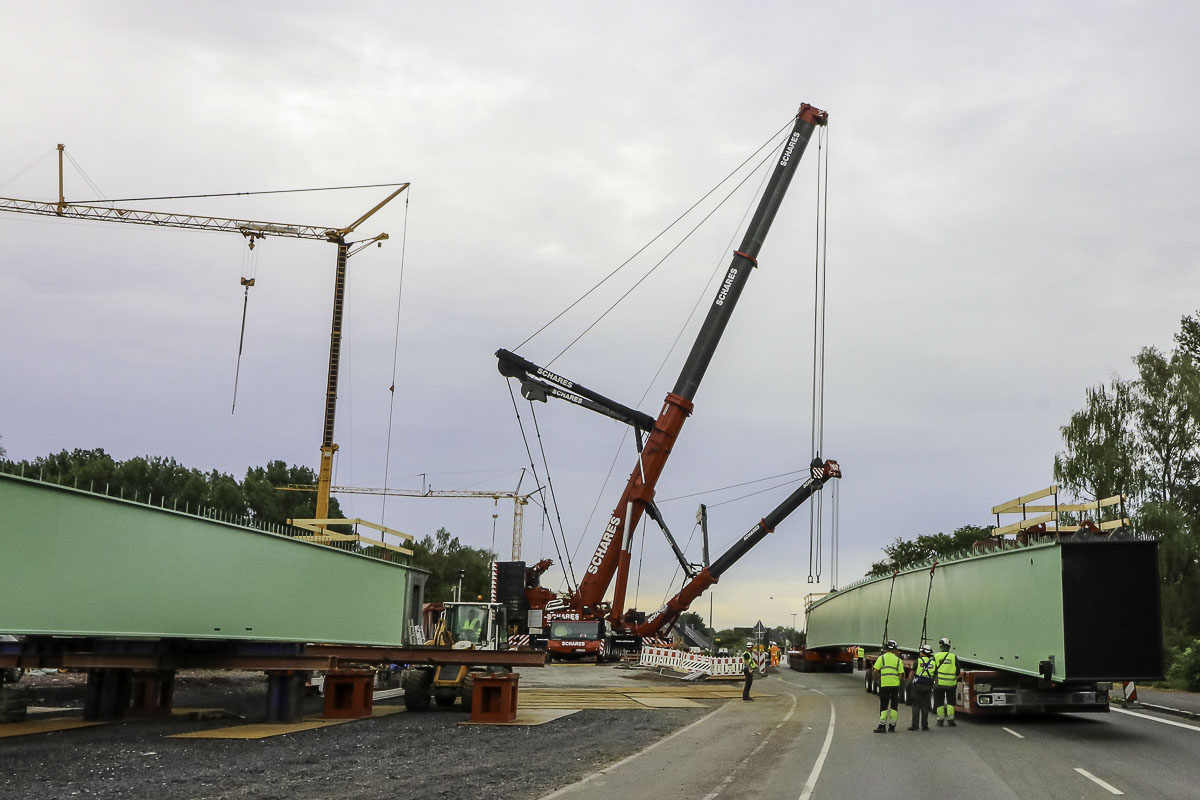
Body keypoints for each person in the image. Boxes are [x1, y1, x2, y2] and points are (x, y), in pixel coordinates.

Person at [873, 640, 903, 733]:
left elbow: (875, 670)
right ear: (894, 649)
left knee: (884, 704)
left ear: (886, 649)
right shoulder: (898, 660)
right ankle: (892, 726)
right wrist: (897, 681)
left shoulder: (881, 658)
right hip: (895, 685)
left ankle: (882, 726)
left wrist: (878, 680)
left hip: (884, 684)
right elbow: (901, 673)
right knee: (894, 704)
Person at [933, 637, 959, 727]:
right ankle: (951, 720)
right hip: (951, 684)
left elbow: (932, 670)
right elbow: (958, 671)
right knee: (950, 702)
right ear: (948, 647)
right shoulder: (953, 657)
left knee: (939, 701)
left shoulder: (935, 656)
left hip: (939, 684)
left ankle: (940, 721)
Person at [908, 644, 935, 731]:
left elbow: (912, 673)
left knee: (916, 706)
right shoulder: (933, 663)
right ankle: (925, 726)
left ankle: (915, 726)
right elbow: (935, 675)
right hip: (928, 686)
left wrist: (908, 683)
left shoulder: (918, 661)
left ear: (923, 652)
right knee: (925, 706)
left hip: (917, 686)